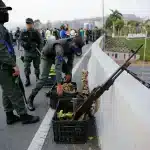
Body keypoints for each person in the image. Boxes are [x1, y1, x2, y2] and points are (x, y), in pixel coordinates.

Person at [0, 0, 39, 125]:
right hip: (4, 66)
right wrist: (13, 64)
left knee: (7, 91)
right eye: (4, 11)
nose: (6, 13)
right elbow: (1, 50)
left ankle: (9, 115)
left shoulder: (2, 27)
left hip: (4, 65)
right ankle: (23, 115)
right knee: (14, 90)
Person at [27, 36, 85, 111]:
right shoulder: (59, 48)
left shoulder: (72, 48)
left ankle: (63, 94)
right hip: (47, 56)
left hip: (57, 56)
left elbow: (70, 63)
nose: (75, 51)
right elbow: (58, 68)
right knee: (44, 78)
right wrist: (59, 85)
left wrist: (69, 74)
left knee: (68, 74)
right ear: (73, 44)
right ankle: (31, 98)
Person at [19, 18, 43, 87]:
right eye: (27, 24)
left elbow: (41, 42)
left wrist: (39, 49)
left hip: (36, 52)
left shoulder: (36, 32)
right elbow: (20, 40)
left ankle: (37, 78)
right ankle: (27, 80)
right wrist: (24, 44)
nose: (28, 25)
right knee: (26, 67)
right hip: (27, 53)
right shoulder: (23, 32)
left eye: (30, 23)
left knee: (37, 67)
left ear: (32, 24)